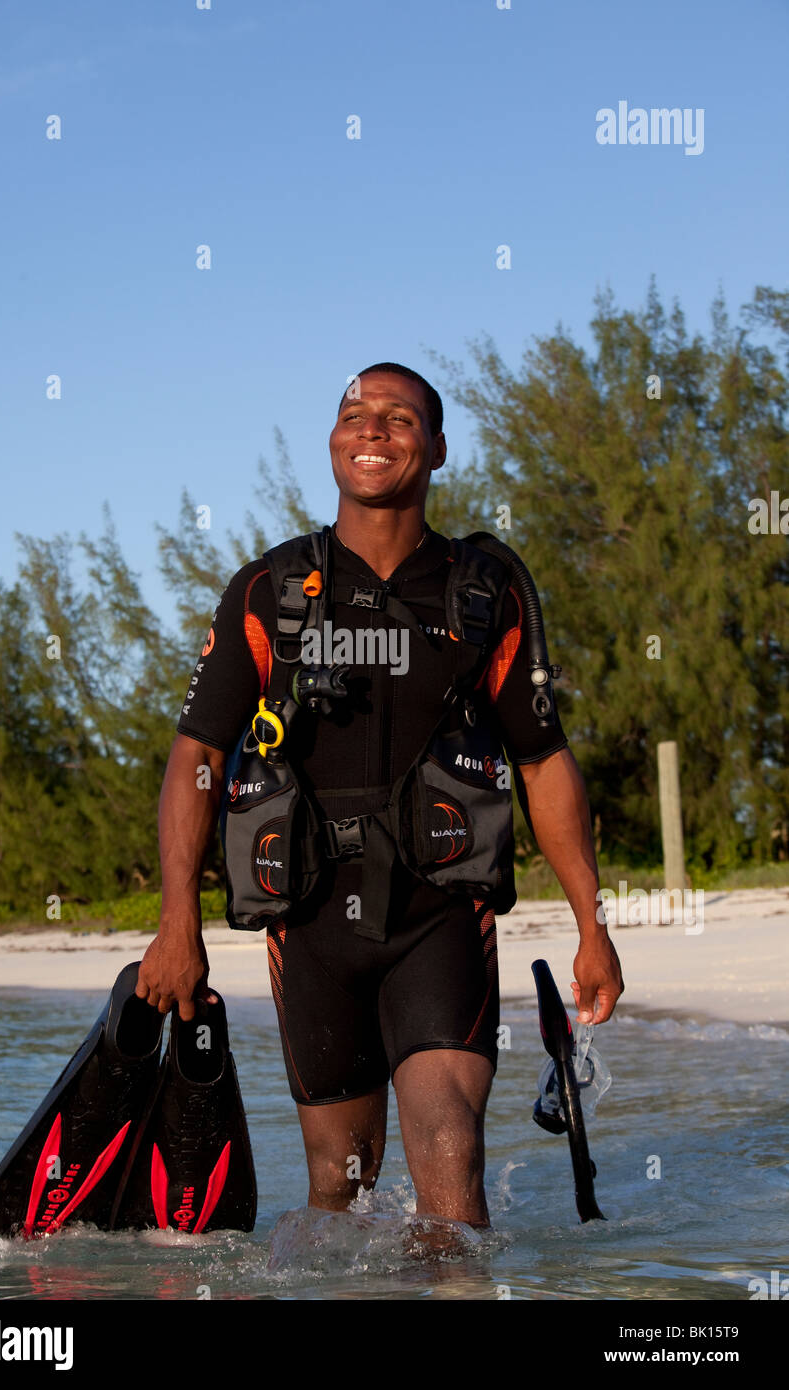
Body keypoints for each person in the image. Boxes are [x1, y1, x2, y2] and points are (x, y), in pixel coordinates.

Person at [136, 363, 624, 1229]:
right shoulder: (272, 590)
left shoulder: (486, 593)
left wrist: (592, 924)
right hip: (310, 919)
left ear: (436, 448)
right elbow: (197, 757)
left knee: (449, 1159)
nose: (371, 429)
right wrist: (179, 920)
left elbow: (544, 761)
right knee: (338, 1189)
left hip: (440, 913)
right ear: (331, 440)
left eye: (398, 418)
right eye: (353, 413)